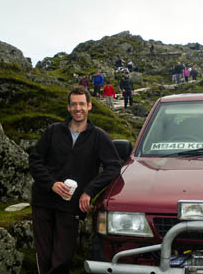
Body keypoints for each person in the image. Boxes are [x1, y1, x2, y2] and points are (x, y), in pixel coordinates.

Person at [29, 86, 121, 274]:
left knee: (63, 257)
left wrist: (89, 191)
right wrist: (52, 184)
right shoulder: (53, 131)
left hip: (71, 205)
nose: (78, 108)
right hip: (43, 201)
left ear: (89, 106)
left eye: (81, 104)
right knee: (43, 255)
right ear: (68, 108)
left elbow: (113, 167)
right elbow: (35, 160)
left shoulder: (99, 137)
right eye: (74, 104)